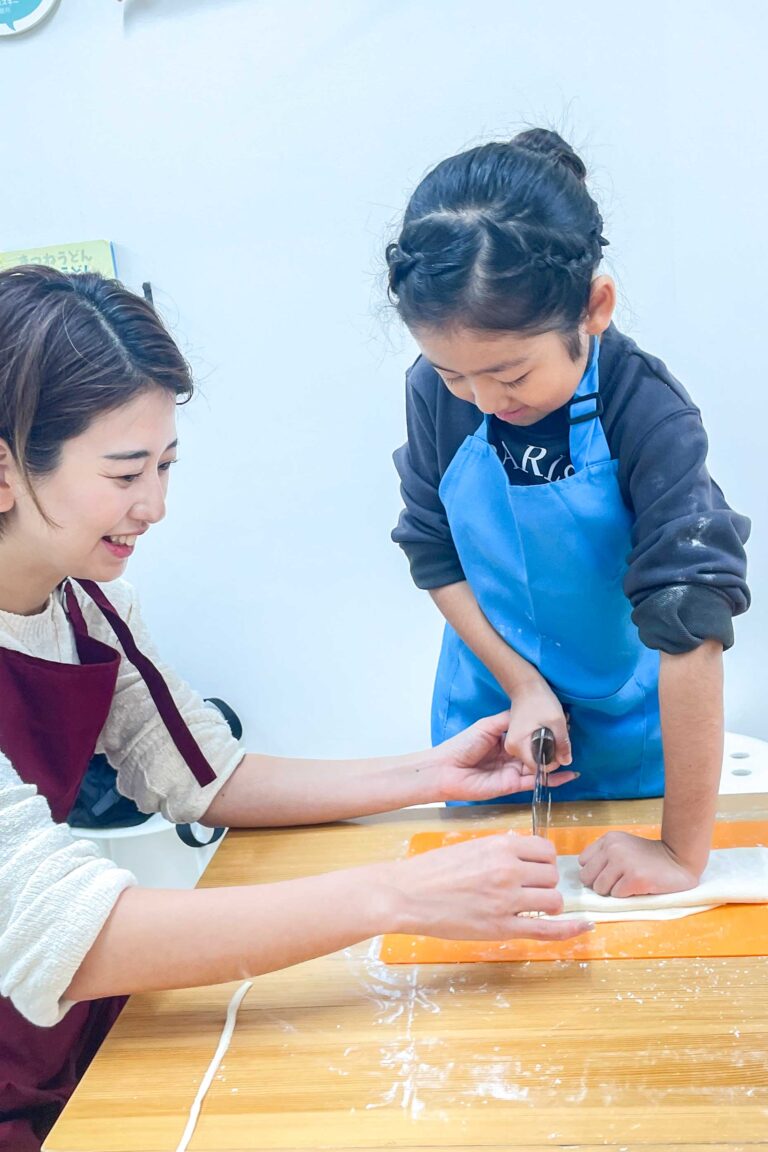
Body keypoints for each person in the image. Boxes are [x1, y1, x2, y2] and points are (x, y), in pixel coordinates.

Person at [0, 266, 591, 1152]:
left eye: (164, 465)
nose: (155, 506)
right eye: (125, 472)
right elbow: (62, 932)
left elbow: (205, 773)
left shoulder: (86, 606)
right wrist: (399, 894)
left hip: (73, 1041)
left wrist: (431, 776)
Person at [387, 128, 750, 904]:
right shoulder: (433, 393)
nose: (484, 401)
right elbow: (434, 553)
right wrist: (521, 686)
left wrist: (681, 855)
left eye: (510, 374)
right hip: (489, 705)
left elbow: (691, 621)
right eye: (457, 376)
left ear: (594, 307)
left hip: (630, 720)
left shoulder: (645, 411)